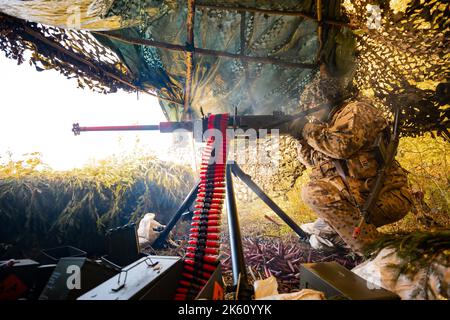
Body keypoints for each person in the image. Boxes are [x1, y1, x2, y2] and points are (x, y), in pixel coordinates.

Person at [293, 70, 413, 254]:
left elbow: (342, 147)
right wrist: (300, 137)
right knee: (319, 235)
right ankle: (376, 243)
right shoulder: (329, 126)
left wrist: (307, 129)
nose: (310, 108)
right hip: (360, 197)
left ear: (325, 99)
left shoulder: (356, 110)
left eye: (312, 103)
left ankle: (374, 253)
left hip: (385, 195)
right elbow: (313, 161)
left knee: (314, 193)